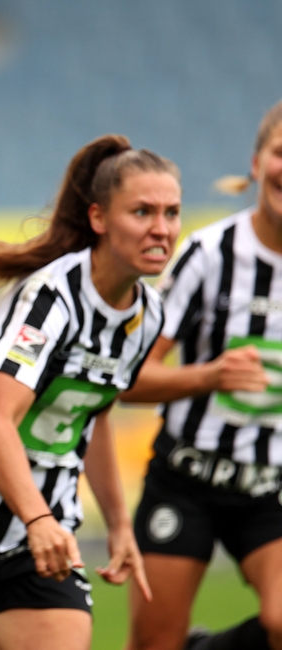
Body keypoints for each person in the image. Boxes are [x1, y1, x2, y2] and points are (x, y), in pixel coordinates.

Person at [0, 134, 181, 650]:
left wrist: (118, 524)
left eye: (172, 213)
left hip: (37, 538)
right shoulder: (51, 297)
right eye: (142, 211)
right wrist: (38, 517)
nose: (161, 229)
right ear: (99, 218)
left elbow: (94, 414)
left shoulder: (148, 315)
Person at [121, 100, 282, 650]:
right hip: (186, 479)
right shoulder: (209, 255)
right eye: (281, 153)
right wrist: (209, 376)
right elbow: (130, 378)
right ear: (257, 163)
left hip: (270, 488)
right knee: (152, 645)